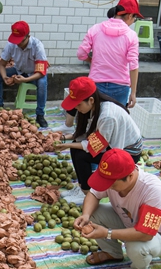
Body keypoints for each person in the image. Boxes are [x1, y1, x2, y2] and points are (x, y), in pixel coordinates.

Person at [73, 148, 161, 269]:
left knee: (136, 246)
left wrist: (107, 233)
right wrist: (86, 215)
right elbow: (93, 194)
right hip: (128, 222)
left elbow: (145, 234)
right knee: (93, 214)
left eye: (112, 184)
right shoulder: (113, 177)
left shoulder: (152, 189)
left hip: (156, 236)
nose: (108, 187)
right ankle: (113, 253)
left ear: (130, 176)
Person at [55, 77, 142, 205]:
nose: (76, 108)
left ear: (90, 100)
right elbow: (88, 134)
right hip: (112, 145)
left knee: (80, 155)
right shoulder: (94, 107)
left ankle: (86, 192)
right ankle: (82, 186)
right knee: (76, 147)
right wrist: (65, 138)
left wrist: (67, 145)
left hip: (128, 153)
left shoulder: (107, 116)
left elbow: (95, 146)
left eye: (78, 104)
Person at [76, 0, 141, 108]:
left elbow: (81, 54)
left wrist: (91, 60)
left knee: (96, 120)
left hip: (96, 85)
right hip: (120, 86)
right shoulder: (131, 35)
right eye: (135, 18)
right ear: (130, 16)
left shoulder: (95, 29)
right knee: (116, 121)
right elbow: (133, 66)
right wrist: (133, 93)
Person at [0, 21, 49, 127]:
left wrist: (25, 80)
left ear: (28, 36)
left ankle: (40, 114)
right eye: (16, 40)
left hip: (34, 73)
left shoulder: (37, 46)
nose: (18, 43)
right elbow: (2, 65)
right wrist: (5, 78)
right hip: (18, 70)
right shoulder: (11, 44)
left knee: (42, 83)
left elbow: (41, 72)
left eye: (21, 41)